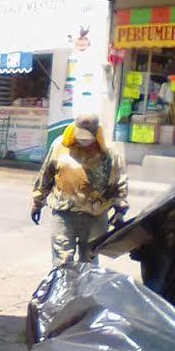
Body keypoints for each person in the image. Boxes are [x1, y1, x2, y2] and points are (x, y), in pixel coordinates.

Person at [30, 113, 128, 266]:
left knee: (89, 262)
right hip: (64, 214)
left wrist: (120, 210)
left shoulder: (109, 152)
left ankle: (84, 290)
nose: (83, 141)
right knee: (62, 262)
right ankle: (65, 289)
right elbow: (46, 176)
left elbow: (119, 182)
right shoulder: (59, 146)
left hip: (96, 216)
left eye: (88, 138)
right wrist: (37, 203)